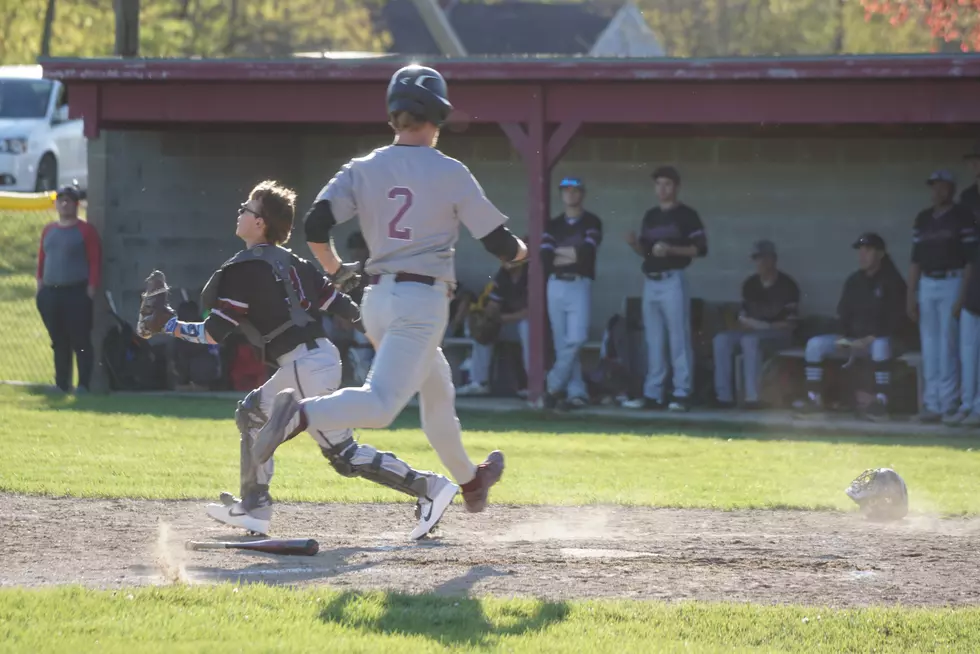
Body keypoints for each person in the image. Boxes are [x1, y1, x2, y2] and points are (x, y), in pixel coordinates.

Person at [257, 65, 529, 515]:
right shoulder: (450, 170)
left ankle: (471, 482)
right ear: (437, 116)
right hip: (421, 302)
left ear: (393, 115)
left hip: (377, 300)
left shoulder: (364, 167)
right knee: (382, 405)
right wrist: (522, 253)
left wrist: (336, 270)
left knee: (438, 392)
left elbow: (316, 224)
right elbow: (501, 244)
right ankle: (300, 415)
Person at [137, 180, 457, 540]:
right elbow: (339, 304)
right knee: (254, 414)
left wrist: (170, 325)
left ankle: (429, 488)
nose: (240, 212)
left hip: (305, 365)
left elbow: (214, 334)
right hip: (313, 360)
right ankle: (254, 505)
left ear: (260, 223)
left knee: (339, 452)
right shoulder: (291, 262)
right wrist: (377, 333)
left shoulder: (243, 269)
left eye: (247, 208)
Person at [622, 166, 708, 412]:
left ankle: (682, 393)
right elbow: (647, 252)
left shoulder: (687, 215)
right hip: (651, 280)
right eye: (658, 184)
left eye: (667, 184)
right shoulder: (651, 216)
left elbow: (700, 249)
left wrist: (671, 250)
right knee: (654, 340)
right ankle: (654, 393)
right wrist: (634, 244)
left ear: (676, 187)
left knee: (678, 338)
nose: (662, 189)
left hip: (673, 279)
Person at [798, 233, 907, 421]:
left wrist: (870, 338)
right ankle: (814, 400)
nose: (862, 255)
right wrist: (844, 337)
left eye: (868, 250)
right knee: (815, 345)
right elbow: (844, 314)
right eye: (860, 251)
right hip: (856, 340)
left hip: (884, 341)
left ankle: (881, 403)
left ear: (880, 253)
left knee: (880, 345)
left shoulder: (893, 281)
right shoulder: (854, 280)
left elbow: (897, 320)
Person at [907, 170, 977, 423]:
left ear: (951, 189)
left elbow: (970, 261)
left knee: (948, 346)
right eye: (934, 186)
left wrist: (962, 295)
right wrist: (910, 294)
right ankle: (932, 403)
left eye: (942, 186)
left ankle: (947, 403)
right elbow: (915, 259)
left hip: (952, 280)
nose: (937, 191)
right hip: (927, 282)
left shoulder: (962, 216)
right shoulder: (923, 218)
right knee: (930, 345)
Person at [712, 240, 800, 409]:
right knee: (721, 339)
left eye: (764, 258)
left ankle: (753, 398)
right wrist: (750, 325)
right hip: (754, 331)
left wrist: (763, 327)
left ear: (773, 259)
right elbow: (743, 320)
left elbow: (790, 325)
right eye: (757, 259)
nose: (760, 263)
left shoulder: (787, 285)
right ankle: (723, 397)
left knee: (750, 341)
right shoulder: (750, 284)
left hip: (779, 335)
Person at [540, 177, 603, 410]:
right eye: (566, 190)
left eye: (575, 190)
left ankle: (553, 385)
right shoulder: (553, 224)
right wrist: (571, 254)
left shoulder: (592, 221)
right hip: (556, 284)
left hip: (579, 283)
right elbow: (545, 257)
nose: (570, 194)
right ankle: (576, 392)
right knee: (561, 342)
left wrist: (560, 254)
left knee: (577, 338)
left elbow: (587, 253)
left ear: (582, 194)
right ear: (561, 194)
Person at [35, 183, 101, 394]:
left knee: (80, 339)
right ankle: (62, 384)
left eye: (69, 201)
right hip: (51, 293)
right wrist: (40, 286)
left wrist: (91, 288)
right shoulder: (49, 230)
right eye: (61, 200)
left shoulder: (85, 230)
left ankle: (83, 384)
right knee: (59, 339)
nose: (64, 204)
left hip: (76, 292)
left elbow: (94, 260)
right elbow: (42, 260)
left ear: (76, 205)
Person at [456, 258, 530, 397]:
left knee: (526, 328)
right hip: (507, 321)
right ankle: (478, 382)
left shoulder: (530, 273)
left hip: (530, 322)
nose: (506, 261)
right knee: (484, 330)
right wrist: (486, 317)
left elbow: (532, 311)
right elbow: (493, 304)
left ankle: (531, 383)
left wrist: (502, 318)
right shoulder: (503, 275)